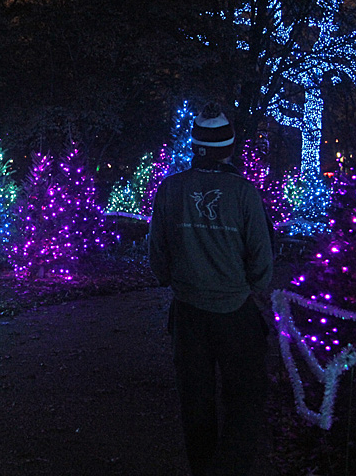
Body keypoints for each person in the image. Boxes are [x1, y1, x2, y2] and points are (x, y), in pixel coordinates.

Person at [149, 102, 273, 476]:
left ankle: (202, 469)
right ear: (229, 148)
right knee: (244, 399)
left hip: (188, 314)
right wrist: (254, 287)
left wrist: (175, 279)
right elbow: (261, 257)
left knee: (196, 401)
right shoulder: (244, 193)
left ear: (195, 146)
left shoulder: (171, 190)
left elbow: (157, 255)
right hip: (236, 314)